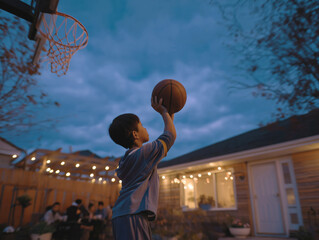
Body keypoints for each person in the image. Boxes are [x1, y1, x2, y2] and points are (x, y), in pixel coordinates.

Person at [109, 97, 176, 240]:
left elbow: (166, 139)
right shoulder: (142, 154)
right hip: (132, 214)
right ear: (135, 134)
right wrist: (164, 113)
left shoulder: (130, 158)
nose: (145, 128)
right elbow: (169, 136)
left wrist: (169, 117)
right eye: (142, 125)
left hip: (124, 214)